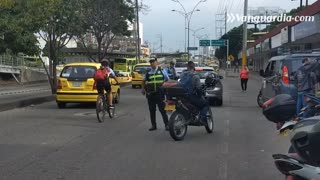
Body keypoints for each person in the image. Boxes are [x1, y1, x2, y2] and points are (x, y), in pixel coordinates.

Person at [141, 57, 170, 131]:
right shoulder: (148, 72)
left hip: (160, 94)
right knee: (152, 110)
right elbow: (143, 81)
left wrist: (164, 87)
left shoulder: (162, 70)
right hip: (150, 94)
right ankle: (153, 125)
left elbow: (167, 79)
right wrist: (143, 89)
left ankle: (167, 125)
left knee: (162, 110)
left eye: (153, 62)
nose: (152, 63)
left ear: (156, 62)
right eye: (151, 62)